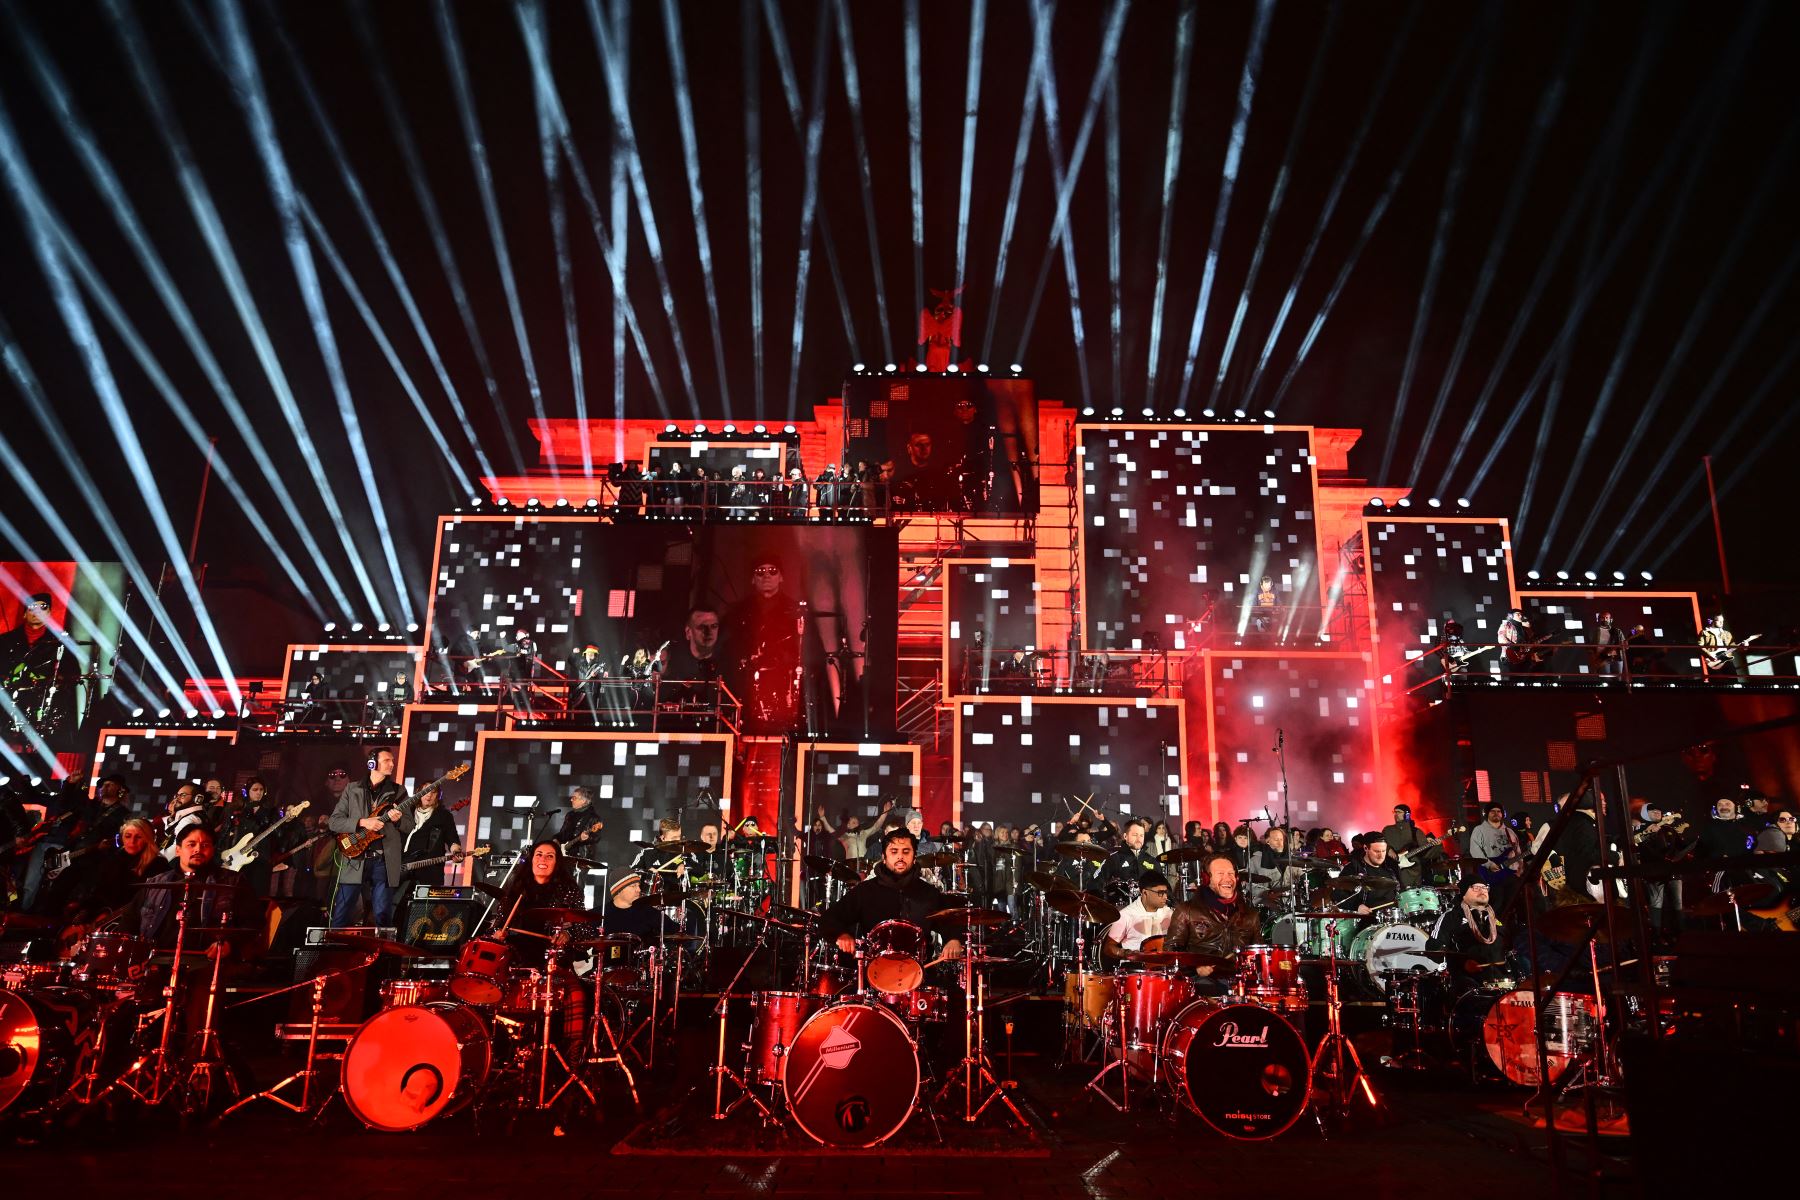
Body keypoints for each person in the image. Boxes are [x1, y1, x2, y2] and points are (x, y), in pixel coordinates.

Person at [818, 827, 965, 963]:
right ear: (884, 857)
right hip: (875, 973)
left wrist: (954, 939)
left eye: (906, 852)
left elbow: (952, 923)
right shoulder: (865, 891)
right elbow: (829, 919)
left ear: (914, 857)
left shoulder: (929, 893)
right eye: (894, 852)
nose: (900, 857)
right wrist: (841, 934)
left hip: (919, 975)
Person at [326, 748, 413, 928]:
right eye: (387, 760)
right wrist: (363, 822)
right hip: (354, 859)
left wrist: (397, 822)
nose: (392, 764)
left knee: (382, 913)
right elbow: (334, 822)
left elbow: (409, 825)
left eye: (392, 760)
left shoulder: (398, 791)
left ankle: (381, 954)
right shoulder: (352, 788)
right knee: (342, 911)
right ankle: (332, 950)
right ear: (372, 764)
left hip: (383, 859)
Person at [724, 553, 807, 732]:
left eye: (772, 571)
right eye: (760, 571)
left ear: (781, 577)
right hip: (746, 683)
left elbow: (803, 649)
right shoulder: (738, 611)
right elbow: (730, 645)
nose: (767, 575)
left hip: (784, 681)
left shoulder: (795, 611)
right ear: (753, 579)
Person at [1162, 854, 1263, 993]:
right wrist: (1195, 968)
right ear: (1206, 879)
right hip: (1201, 985)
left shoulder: (1250, 915)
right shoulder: (1187, 911)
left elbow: (1258, 954)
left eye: (1231, 874)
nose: (1227, 879)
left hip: (1239, 983)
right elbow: (1171, 952)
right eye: (1220, 874)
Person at [1427, 879, 1508, 990]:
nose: (1482, 890)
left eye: (1484, 887)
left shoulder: (1496, 919)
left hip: (1501, 984)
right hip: (1468, 986)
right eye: (1475, 887)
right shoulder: (1451, 917)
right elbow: (1434, 947)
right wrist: (1462, 963)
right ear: (1464, 894)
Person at [400, 783, 462, 889]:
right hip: (402, 867)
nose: (429, 795)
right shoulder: (407, 811)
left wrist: (456, 852)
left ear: (438, 796)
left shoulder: (444, 816)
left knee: (425, 905)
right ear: (418, 792)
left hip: (430, 871)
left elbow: (452, 839)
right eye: (425, 791)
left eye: (433, 792)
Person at [1101, 871, 1174, 960]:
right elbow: (1108, 947)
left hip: (1164, 967)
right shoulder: (1126, 915)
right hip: (1135, 968)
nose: (1165, 897)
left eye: (1166, 892)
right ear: (1145, 892)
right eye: (1160, 893)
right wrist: (1125, 953)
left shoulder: (1169, 913)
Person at [1335, 834, 1402, 915]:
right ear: (1366, 848)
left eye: (1383, 851)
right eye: (1376, 851)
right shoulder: (1353, 868)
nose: (1381, 855)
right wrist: (1357, 906)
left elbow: (1401, 892)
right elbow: (1338, 894)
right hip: (1368, 919)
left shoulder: (1390, 867)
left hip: (1393, 917)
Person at [1097, 818, 1162, 899]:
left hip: (1147, 908)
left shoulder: (1152, 861)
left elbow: (1163, 888)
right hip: (1121, 906)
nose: (1139, 839)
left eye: (1141, 835)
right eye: (1135, 835)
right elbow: (1096, 882)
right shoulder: (1114, 858)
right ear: (1125, 836)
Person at [1381, 804, 1435, 889]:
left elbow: (1426, 854)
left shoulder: (1416, 831)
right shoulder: (1387, 830)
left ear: (1407, 815)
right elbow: (1379, 843)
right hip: (1391, 870)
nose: (1396, 814)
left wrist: (1434, 845)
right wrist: (1388, 849)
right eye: (1394, 812)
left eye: (1398, 812)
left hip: (1412, 872)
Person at [554, 786, 605, 852]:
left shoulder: (593, 817)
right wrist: (555, 838)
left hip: (581, 856)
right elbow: (563, 833)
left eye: (574, 798)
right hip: (565, 854)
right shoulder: (570, 815)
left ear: (583, 801)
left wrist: (586, 838)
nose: (571, 800)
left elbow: (596, 838)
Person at [1699, 614, 1741, 678]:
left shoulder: (1727, 633)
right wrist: (1710, 656)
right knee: (1718, 681)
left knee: (1733, 679)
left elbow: (1732, 645)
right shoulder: (1704, 632)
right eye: (1719, 621)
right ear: (1713, 621)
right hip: (1713, 660)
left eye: (1722, 621)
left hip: (1726, 659)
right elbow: (1700, 646)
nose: (1722, 623)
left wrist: (1744, 645)